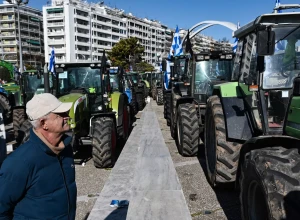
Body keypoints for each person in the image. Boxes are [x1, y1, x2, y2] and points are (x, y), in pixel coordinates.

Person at [0, 93, 77, 220]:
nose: (67, 117)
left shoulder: (66, 150)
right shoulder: (20, 162)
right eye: (60, 115)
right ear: (44, 123)